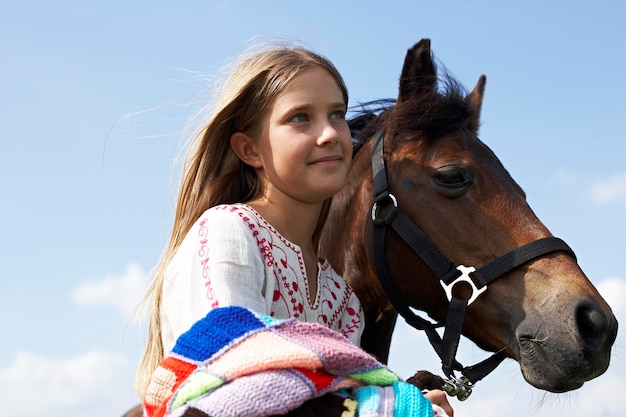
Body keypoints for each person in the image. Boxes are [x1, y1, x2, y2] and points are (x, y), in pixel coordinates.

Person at [134, 41, 454, 417]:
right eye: (300, 117)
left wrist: (408, 404)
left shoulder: (341, 298)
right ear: (249, 149)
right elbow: (231, 390)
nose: (331, 133)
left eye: (336, 114)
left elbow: (327, 399)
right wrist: (388, 408)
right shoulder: (227, 233)